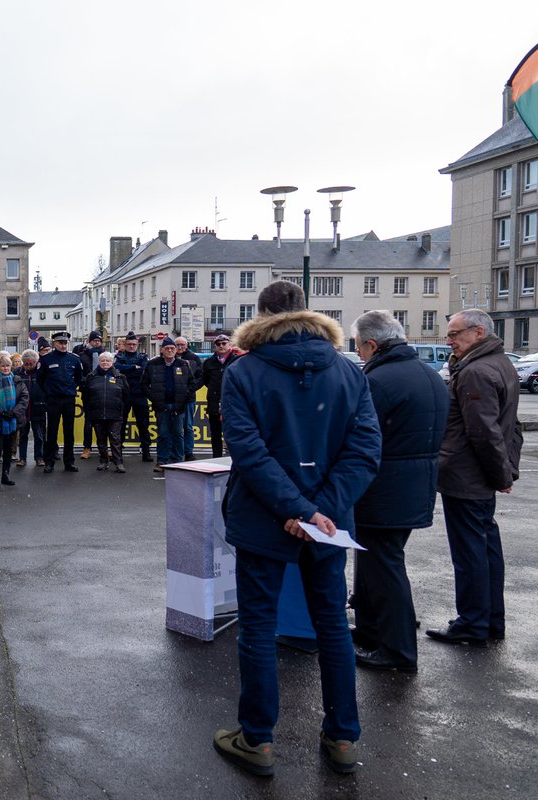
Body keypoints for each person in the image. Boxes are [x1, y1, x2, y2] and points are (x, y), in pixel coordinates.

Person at [213, 281, 380, 778]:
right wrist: (319, 510)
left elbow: (248, 452)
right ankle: (343, 734)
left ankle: (258, 739)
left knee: (259, 627)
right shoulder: (348, 372)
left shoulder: (244, 371)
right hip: (328, 525)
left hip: (268, 518)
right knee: (332, 627)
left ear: (261, 314)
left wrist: (299, 509)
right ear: (307, 312)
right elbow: (364, 450)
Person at [348, 311, 448, 673]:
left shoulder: (379, 380)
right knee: (376, 562)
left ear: (372, 344)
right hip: (414, 485)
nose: (357, 353)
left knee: (385, 567)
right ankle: (372, 630)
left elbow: (358, 436)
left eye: (358, 346)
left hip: (384, 488)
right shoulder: (428, 375)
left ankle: (398, 651)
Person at [428, 308, 523, 647]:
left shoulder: (476, 371)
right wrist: (504, 470)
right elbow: (508, 427)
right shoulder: (499, 363)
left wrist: (501, 474)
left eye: (455, 334)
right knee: (485, 549)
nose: (448, 340)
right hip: (479, 474)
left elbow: (484, 431)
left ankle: (472, 623)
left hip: (468, 476)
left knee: (470, 553)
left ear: (478, 333)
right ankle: (489, 620)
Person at [37, 331, 84, 474]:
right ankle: (49, 462)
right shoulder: (46, 360)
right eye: (60, 343)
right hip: (53, 399)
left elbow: (78, 378)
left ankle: (69, 462)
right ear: (54, 343)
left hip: (69, 399)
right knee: (52, 431)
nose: (63, 345)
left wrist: (69, 389)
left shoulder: (75, 359)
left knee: (69, 432)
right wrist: (49, 391)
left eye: (65, 343)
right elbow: (40, 379)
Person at [143, 338, 191, 472]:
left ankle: (178, 461)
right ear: (162, 350)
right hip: (161, 406)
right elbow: (144, 384)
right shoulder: (152, 364)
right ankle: (162, 461)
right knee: (163, 434)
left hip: (178, 406)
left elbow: (191, 383)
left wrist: (184, 397)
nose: (170, 351)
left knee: (178, 434)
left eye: (172, 348)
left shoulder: (183, 364)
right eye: (167, 348)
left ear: (176, 350)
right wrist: (154, 398)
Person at [0, 352, 30, 487]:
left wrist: (14, 413)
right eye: (3, 366)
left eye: (8, 366)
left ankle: (6, 475)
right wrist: (1, 412)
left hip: (13, 420)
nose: (6, 368)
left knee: (8, 449)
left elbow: (24, 398)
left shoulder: (18, 380)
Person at [80, 351, 129, 472]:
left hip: (115, 414)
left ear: (112, 362)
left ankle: (118, 462)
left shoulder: (120, 377)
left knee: (115, 439)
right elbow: (85, 396)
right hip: (97, 413)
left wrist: (121, 410)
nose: (105, 363)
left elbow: (126, 396)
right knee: (101, 439)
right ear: (99, 362)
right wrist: (89, 410)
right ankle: (103, 461)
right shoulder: (91, 377)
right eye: (103, 361)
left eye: (108, 361)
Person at [114, 332, 153, 463]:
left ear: (137, 344)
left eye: (134, 344)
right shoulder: (119, 356)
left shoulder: (143, 356)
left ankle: (146, 451)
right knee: (120, 424)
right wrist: (133, 367)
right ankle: (118, 453)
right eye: (129, 344)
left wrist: (128, 369)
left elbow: (143, 370)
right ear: (125, 344)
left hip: (139, 393)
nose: (131, 347)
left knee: (143, 424)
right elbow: (117, 368)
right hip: (123, 394)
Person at [201, 334, 241, 458]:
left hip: (232, 403)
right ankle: (217, 459)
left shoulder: (236, 360)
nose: (221, 346)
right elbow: (206, 381)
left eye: (224, 343)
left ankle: (232, 459)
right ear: (215, 346)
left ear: (229, 344)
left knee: (232, 433)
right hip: (214, 403)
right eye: (218, 344)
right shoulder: (209, 362)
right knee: (215, 434)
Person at [14, 349, 45, 468]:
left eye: (31, 363)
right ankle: (22, 458)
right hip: (23, 409)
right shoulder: (17, 373)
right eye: (26, 363)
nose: (28, 366)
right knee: (23, 435)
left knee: (39, 435)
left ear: (36, 362)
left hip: (38, 406)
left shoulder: (41, 372)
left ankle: (39, 457)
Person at [175, 336, 203, 460]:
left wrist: (190, 389)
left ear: (187, 345)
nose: (180, 347)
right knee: (174, 427)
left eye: (182, 345)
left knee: (188, 426)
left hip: (188, 398)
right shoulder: (169, 357)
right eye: (177, 345)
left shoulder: (194, 358)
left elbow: (201, 377)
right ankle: (175, 452)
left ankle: (189, 451)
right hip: (172, 399)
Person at [78, 331, 105, 459]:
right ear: (90, 341)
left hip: (104, 392)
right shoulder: (83, 356)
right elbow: (79, 375)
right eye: (94, 341)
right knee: (88, 422)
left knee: (104, 422)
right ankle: (86, 448)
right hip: (88, 392)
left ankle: (103, 448)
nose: (97, 343)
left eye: (99, 341)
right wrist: (87, 382)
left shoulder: (105, 356)